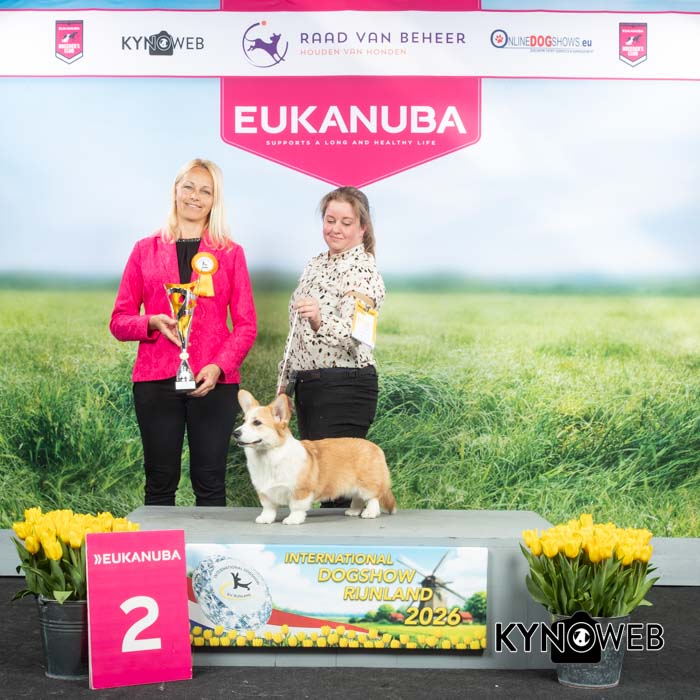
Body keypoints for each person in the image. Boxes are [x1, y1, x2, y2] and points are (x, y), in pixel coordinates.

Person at [110, 158, 257, 507]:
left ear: (214, 199)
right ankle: (161, 546)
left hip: (214, 382)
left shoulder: (230, 254)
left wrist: (219, 366)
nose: (195, 196)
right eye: (188, 186)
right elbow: (119, 321)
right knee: (159, 482)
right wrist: (151, 322)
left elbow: (246, 324)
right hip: (155, 381)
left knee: (210, 481)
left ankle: (211, 546)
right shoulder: (144, 250)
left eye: (206, 191)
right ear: (175, 190)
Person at [278, 186, 385, 507]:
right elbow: (296, 332)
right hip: (309, 387)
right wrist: (283, 384)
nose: (335, 229)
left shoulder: (364, 270)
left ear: (362, 228)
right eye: (330, 220)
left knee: (335, 491)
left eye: (346, 222)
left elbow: (359, 335)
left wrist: (320, 320)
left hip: (345, 387)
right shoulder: (314, 264)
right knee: (322, 487)